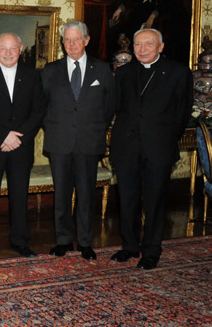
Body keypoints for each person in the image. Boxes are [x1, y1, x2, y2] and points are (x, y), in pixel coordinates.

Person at [110, 28, 192, 270]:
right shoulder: (123, 73)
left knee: (155, 200)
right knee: (127, 199)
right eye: (138, 44)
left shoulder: (178, 72)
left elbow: (182, 112)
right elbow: (118, 108)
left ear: (161, 47)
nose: (142, 49)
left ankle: (152, 250)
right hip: (126, 147)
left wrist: (162, 138)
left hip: (159, 148)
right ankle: (129, 246)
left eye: (148, 44)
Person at [42, 20, 115, 261]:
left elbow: (109, 105)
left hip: (88, 141)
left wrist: (93, 128)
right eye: (67, 40)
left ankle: (85, 242)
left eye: (76, 39)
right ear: (62, 43)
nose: (72, 44)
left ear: (86, 40)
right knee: (61, 194)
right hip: (59, 141)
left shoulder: (102, 69)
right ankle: (63, 241)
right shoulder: (50, 70)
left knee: (86, 194)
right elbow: (42, 106)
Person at [0, 33, 45, 260]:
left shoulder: (32, 76)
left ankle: (20, 241)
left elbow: (38, 111)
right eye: (3, 48)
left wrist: (17, 138)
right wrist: (4, 136)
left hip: (21, 147)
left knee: (19, 196)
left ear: (20, 49)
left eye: (13, 48)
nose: (8, 52)